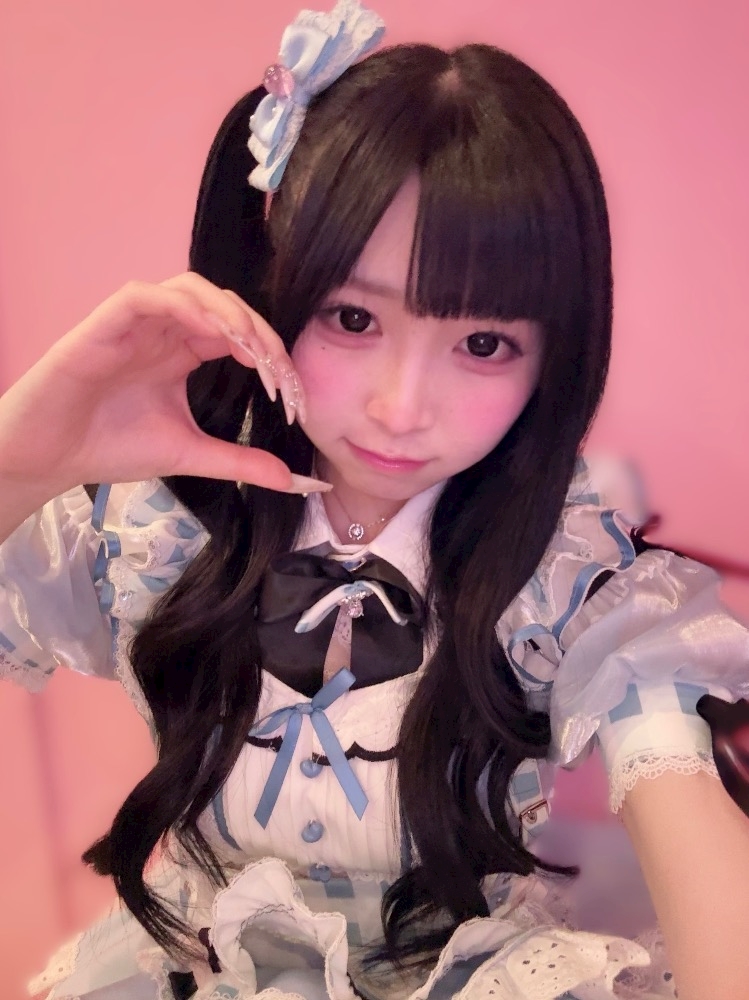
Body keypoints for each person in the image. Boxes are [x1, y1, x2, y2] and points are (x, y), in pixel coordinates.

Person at [1, 1, 748, 997]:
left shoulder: (564, 574)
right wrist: (17, 462)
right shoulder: (152, 527)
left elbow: (686, 816)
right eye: (351, 318)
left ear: (553, 356)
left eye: (481, 343)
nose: (401, 410)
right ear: (271, 288)